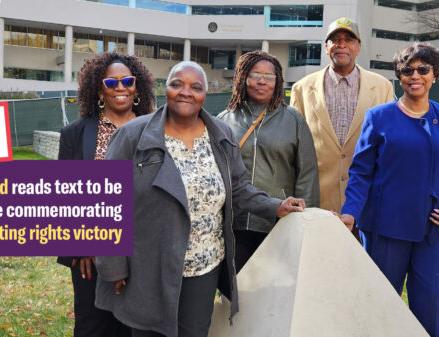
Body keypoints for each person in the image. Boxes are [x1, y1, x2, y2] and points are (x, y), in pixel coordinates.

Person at [95, 61, 306, 337]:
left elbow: (238, 186)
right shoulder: (134, 135)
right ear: (165, 90)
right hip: (150, 265)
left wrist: (275, 206)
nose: (185, 92)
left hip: (203, 266)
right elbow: (108, 201)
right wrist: (112, 264)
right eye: (176, 84)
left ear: (205, 94)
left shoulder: (221, 134)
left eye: (195, 87)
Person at [338, 42, 439, 337]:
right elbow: (360, 172)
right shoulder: (378, 117)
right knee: (379, 305)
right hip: (385, 229)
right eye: (407, 70)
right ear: (399, 76)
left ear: (434, 75)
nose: (415, 75)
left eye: (423, 69)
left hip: (431, 232)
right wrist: (350, 214)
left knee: (430, 307)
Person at [56, 52, 154, 337]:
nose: (120, 87)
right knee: (92, 325)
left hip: (141, 248)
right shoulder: (75, 134)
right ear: (100, 90)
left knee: (133, 327)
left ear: (137, 87)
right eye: (111, 82)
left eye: (127, 81)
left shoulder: (155, 131)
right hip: (92, 253)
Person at [218, 50, 319, 273]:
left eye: (269, 76)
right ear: (242, 78)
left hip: (279, 222)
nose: (262, 81)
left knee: (275, 290)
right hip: (235, 224)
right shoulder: (224, 121)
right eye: (254, 75)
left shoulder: (293, 120)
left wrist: (305, 222)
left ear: (278, 82)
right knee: (236, 290)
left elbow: (307, 174)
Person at [290, 17, 394, 215]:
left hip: (367, 198)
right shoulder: (301, 89)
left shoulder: (382, 86)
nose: (342, 45)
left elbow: (388, 144)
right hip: (317, 200)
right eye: (335, 40)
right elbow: (295, 148)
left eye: (348, 40)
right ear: (326, 47)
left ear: (359, 47)